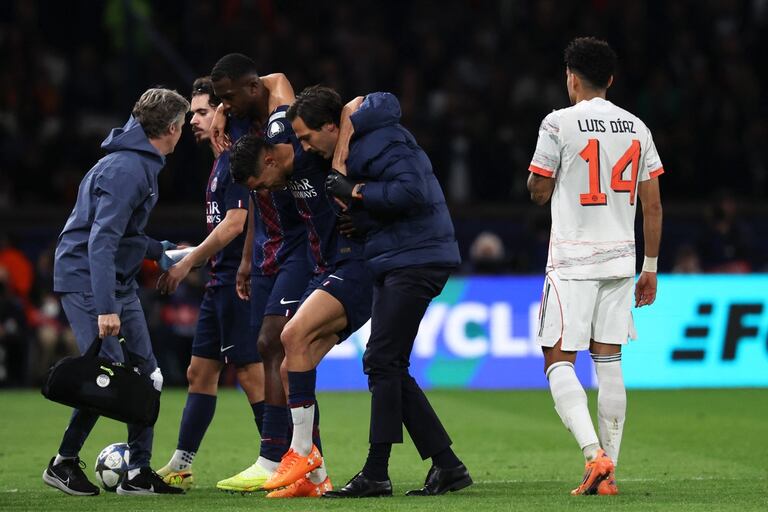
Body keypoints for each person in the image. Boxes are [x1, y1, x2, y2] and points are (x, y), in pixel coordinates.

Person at [301, 87, 472, 498]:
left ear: (331, 127)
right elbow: (397, 202)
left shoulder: (379, 138)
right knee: (388, 364)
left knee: (381, 360)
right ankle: (447, 466)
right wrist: (365, 221)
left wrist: (356, 193)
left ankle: (377, 472)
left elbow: (411, 192)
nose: (306, 147)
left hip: (416, 258)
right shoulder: (368, 143)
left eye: (308, 137)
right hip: (398, 255)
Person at [526, 37, 663, 496]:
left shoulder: (557, 122)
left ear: (571, 77)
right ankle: (610, 474)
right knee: (609, 361)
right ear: (610, 80)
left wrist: (539, 180)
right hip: (623, 259)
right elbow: (654, 207)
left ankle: (593, 455)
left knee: (557, 358)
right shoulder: (637, 127)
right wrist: (650, 267)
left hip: (572, 259)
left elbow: (539, 190)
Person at [227, 92, 373, 498]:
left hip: (355, 267)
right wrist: (224, 111)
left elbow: (355, 103)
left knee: (288, 337)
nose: (265, 193)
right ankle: (315, 478)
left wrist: (340, 161)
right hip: (327, 266)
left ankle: (300, 451)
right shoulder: (284, 157)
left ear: (271, 160)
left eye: (261, 184)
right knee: (292, 365)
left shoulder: (312, 155)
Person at [46, 88, 189, 496]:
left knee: (150, 376)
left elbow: (122, 235)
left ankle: (137, 473)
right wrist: (106, 307)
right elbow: (101, 242)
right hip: (89, 282)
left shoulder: (136, 162)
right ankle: (64, 462)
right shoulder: (129, 169)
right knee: (104, 376)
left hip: (115, 281)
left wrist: (156, 253)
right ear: (173, 128)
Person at [203, 54, 314, 493]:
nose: (223, 105)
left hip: (301, 240)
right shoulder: (243, 115)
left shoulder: (276, 109)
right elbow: (253, 199)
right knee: (272, 348)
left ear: (251, 88)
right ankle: (303, 465)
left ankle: (274, 457)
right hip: (268, 244)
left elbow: (278, 76)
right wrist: (247, 257)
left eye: (228, 98)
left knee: (275, 342)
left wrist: (226, 110)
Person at [154, 77, 265, 490]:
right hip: (220, 279)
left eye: (201, 111)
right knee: (200, 372)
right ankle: (182, 463)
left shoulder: (238, 155)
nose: (193, 121)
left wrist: (189, 263)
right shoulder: (220, 158)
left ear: (222, 110)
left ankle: (276, 460)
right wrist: (197, 250)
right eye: (193, 114)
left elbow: (236, 225)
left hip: (240, 282)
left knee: (251, 375)